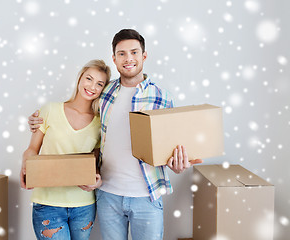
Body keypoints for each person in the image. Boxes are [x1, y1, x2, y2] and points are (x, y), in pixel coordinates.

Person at [28, 29, 202, 240]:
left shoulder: (162, 97)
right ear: (114, 58)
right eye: (121, 54)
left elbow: (171, 145)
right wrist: (39, 120)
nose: (128, 58)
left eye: (134, 52)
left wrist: (176, 163)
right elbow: (85, 128)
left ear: (144, 56)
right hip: (107, 194)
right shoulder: (104, 93)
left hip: (146, 195)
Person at [21, 59, 111, 240]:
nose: (92, 86)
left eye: (99, 84)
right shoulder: (49, 110)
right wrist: (25, 168)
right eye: (89, 79)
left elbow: (95, 163)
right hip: (47, 204)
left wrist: (97, 180)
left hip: (83, 206)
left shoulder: (100, 123)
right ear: (80, 79)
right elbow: (32, 149)